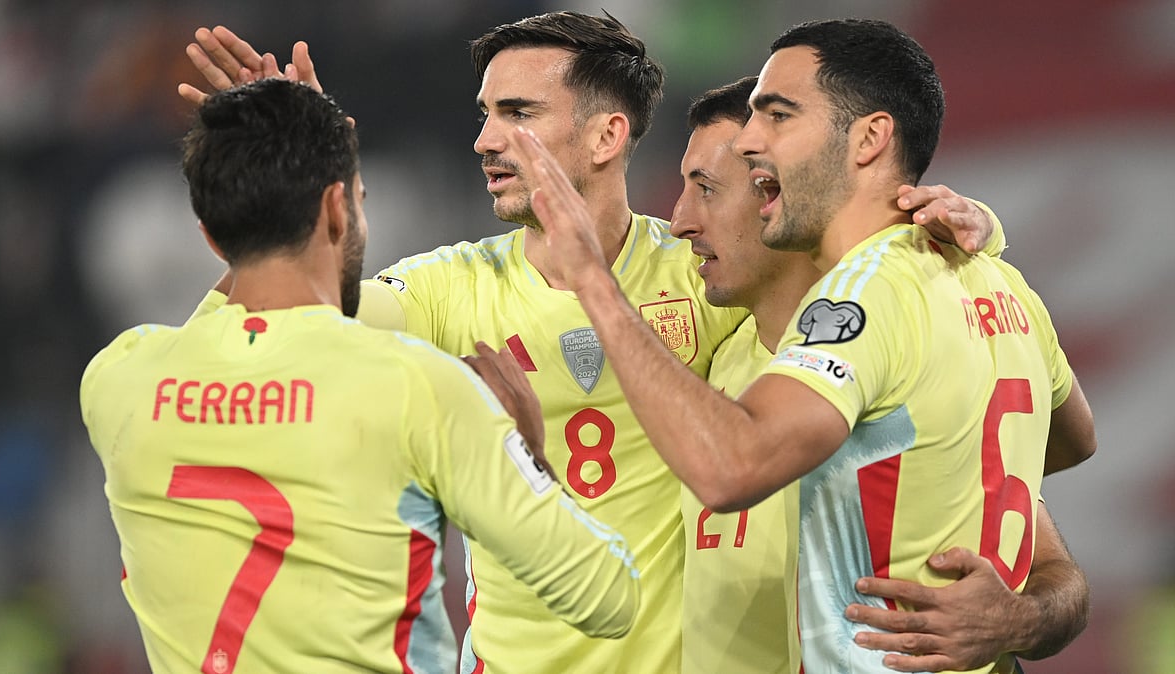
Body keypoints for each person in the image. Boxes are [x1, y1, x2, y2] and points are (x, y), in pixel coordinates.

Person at [177, 15, 998, 673]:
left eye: (519, 114)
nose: (485, 140)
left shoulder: (707, 278)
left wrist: (960, 228)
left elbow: (869, 281)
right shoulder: (444, 290)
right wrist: (293, 173)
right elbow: (254, 329)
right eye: (485, 115)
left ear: (607, 137)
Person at [508, 18, 1096, 674]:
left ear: (869, 138)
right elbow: (1065, 442)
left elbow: (731, 466)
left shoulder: (866, 306)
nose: (755, 144)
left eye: (779, 117)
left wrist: (592, 276)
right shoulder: (994, 285)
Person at [79, 78, 641, 674]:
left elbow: (215, 337)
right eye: (361, 199)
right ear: (335, 210)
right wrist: (529, 459)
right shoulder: (419, 387)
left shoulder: (120, 380)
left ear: (212, 238)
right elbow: (608, 599)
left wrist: (264, 153)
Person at [672, 76, 1090, 673]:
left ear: (775, 194)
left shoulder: (905, 350)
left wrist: (1018, 620)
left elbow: (1056, 573)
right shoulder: (711, 350)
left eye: (707, 189)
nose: (680, 221)